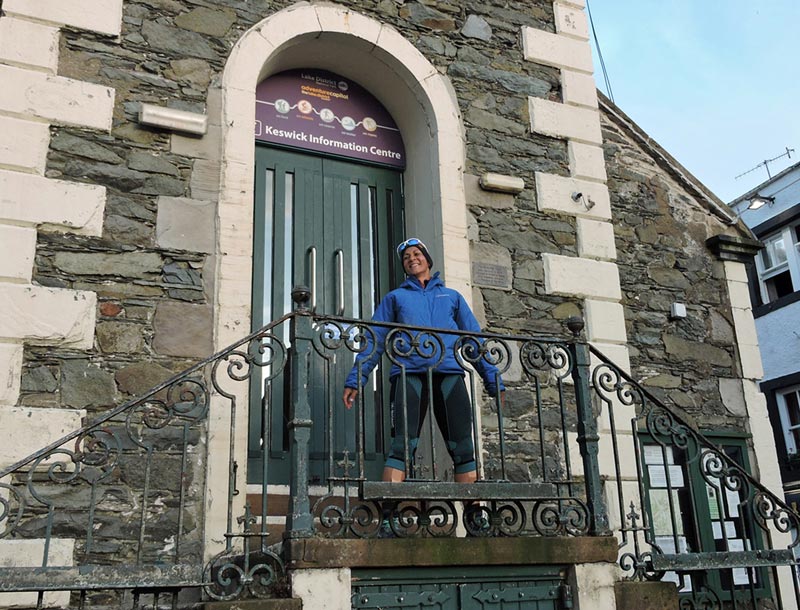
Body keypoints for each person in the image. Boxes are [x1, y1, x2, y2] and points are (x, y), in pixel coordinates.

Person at [342, 237, 504, 485]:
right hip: (408, 375)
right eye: (406, 258)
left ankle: (475, 517)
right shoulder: (395, 298)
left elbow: (473, 339)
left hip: (449, 373)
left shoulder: (451, 296)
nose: (411, 259)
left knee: (463, 448)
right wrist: (357, 378)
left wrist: (493, 380)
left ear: (427, 260)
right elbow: (374, 339)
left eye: (416, 254)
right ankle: (390, 515)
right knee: (401, 447)